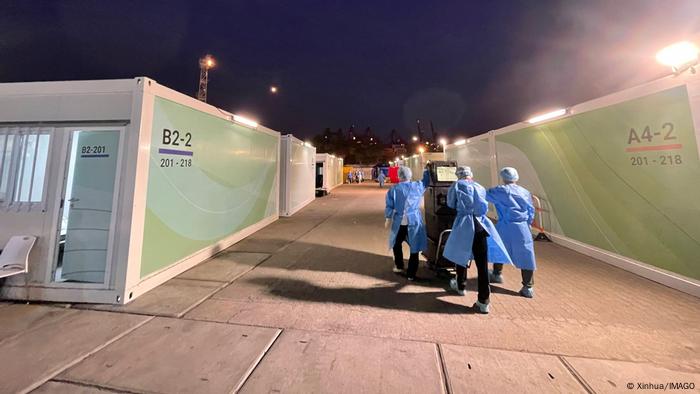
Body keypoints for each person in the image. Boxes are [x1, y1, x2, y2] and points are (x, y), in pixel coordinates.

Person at [442, 166, 512, 314]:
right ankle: (484, 301)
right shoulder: (479, 186)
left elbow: (450, 203)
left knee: (461, 255)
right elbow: (483, 205)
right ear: (470, 174)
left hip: (464, 225)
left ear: (458, 175)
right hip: (481, 227)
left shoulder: (456, 185)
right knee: (482, 265)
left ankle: (460, 286)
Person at [486, 167, 537, 298]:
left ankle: (497, 274)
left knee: (500, 248)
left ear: (503, 177)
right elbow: (531, 210)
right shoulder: (525, 192)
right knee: (526, 254)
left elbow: (484, 195)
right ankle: (528, 287)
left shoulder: (500, 191)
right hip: (522, 227)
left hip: (505, 225)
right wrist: (528, 223)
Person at [385, 166, 430, 281]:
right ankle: (411, 274)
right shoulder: (417, 186)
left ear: (399, 176)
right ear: (410, 175)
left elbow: (389, 205)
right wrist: (426, 169)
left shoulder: (394, 189)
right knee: (414, 248)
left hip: (399, 222)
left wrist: (388, 218)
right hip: (414, 221)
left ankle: (399, 266)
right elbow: (426, 180)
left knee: (396, 243)